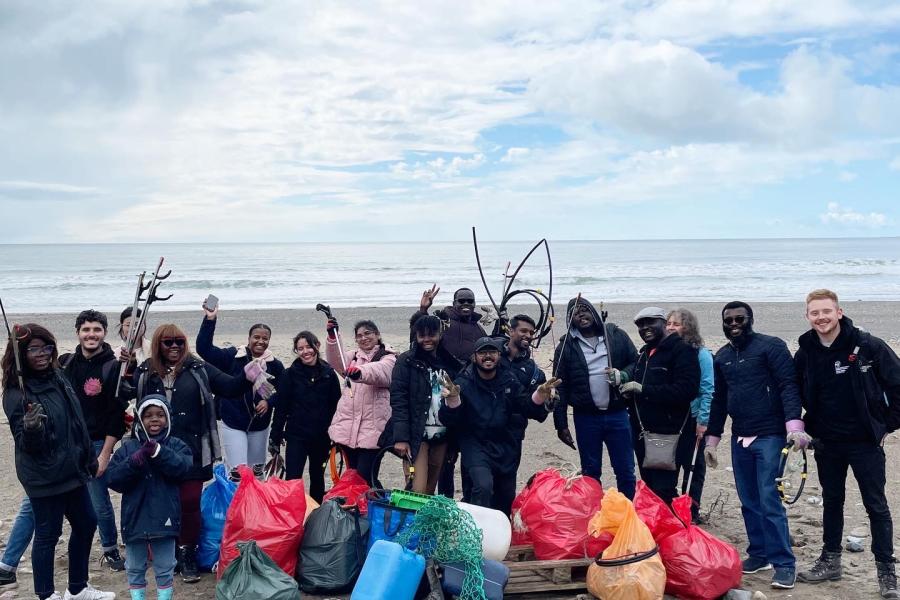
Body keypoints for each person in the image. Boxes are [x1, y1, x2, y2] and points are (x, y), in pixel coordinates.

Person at [794, 289, 900, 598]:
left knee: (876, 505)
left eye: (826, 311)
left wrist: (887, 426)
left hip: (865, 441)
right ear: (808, 316)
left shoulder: (868, 346)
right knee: (832, 501)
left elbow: (897, 386)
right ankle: (831, 561)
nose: (821, 317)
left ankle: (886, 572)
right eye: (815, 313)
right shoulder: (805, 352)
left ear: (839, 312)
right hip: (826, 442)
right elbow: (796, 391)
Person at [133, 324, 256, 583]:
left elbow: (231, 388)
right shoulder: (146, 372)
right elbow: (125, 395)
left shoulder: (197, 368)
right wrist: (120, 371)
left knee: (189, 502)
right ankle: (168, 552)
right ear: (158, 345)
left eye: (179, 341)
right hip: (156, 449)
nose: (175, 346)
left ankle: (188, 553)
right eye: (168, 342)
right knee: (163, 502)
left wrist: (247, 376)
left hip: (193, 448)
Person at [2, 323, 115, 600]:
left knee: (87, 523)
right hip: (45, 475)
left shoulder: (58, 376)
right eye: (34, 349)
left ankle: (77, 588)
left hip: (73, 468)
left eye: (47, 347)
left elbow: (77, 421)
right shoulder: (17, 393)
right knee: (47, 534)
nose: (42, 354)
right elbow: (28, 447)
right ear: (20, 354)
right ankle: (45, 594)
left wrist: (88, 456)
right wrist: (31, 428)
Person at [706, 301, 809, 590]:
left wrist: (794, 426)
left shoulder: (771, 346)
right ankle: (760, 553)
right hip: (740, 437)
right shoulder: (723, 356)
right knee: (749, 500)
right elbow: (718, 400)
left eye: (740, 318)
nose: (734, 323)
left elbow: (789, 385)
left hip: (771, 435)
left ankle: (784, 563)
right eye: (729, 320)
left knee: (769, 500)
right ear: (723, 323)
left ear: (751, 320)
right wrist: (712, 441)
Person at [440, 337, 558, 515]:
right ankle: (477, 533)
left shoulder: (509, 380)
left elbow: (526, 406)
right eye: (482, 353)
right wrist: (453, 400)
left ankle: (500, 535)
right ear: (474, 358)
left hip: (505, 445)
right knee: (482, 487)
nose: (487, 357)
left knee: (506, 496)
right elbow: (449, 419)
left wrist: (540, 395)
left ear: (499, 356)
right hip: (475, 445)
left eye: (492, 352)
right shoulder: (463, 383)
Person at [59, 309, 129, 571]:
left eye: (96, 329)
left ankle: (110, 549)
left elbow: (116, 415)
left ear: (104, 333)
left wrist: (105, 454)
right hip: (66, 444)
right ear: (77, 332)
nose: (91, 334)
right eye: (86, 329)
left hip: (97, 444)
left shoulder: (114, 366)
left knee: (99, 502)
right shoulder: (65, 363)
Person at [107, 394, 193, 600]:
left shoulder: (176, 445)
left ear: (168, 419)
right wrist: (134, 462)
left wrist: (159, 453)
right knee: (135, 566)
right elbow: (113, 479)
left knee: (165, 566)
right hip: (135, 519)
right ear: (139, 420)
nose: (154, 419)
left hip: (165, 519)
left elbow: (183, 469)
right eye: (148, 416)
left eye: (160, 415)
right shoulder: (128, 448)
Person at [552, 296, 638, 498]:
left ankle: (627, 514)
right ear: (569, 320)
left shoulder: (615, 335)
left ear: (593, 311)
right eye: (574, 312)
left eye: (584, 309)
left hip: (618, 414)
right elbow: (559, 387)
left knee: (626, 470)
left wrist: (622, 374)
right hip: (585, 418)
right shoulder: (566, 346)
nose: (580, 313)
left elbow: (636, 363)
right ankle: (593, 515)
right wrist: (560, 424)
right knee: (590, 472)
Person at [410, 285, 487, 497]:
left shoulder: (480, 329)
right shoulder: (444, 323)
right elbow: (421, 337)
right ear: (454, 303)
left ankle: (467, 499)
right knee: (445, 461)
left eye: (469, 301)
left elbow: (487, 356)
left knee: (465, 458)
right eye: (461, 301)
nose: (465, 305)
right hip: (442, 397)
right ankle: (445, 499)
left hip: (465, 395)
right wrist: (423, 310)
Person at [619, 307, 699, 506]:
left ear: (664, 324)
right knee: (649, 487)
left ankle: (671, 533)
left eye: (650, 322)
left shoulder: (682, 350)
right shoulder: (643, 355)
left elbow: (687, 390)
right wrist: (626, 393)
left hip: (668, 435)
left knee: (664, 490)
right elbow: (640, 393)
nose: (645, 327)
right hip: (642, 434)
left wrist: (643, 390)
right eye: (640, 324)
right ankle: (657, 533)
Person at [195, 300, 283, 477]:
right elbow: (203, 349)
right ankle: (235, 504)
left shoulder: (275, 365)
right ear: (249, 339)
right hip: (233, 421)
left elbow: (284, 393)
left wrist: (269, 401)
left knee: (257, 474)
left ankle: (253, 505)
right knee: (237, 473)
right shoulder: (232, 357)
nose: (260, 341)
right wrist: (210, 319)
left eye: (265, 338)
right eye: (256, 337)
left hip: (260, 425)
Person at [380, 315, 464, 495]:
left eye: (432, 334)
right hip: (416, 433)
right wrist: (401, 437)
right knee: (417, 490)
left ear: (440, 335)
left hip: (442, 433)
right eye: (422, 335)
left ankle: (421, 523)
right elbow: (398, 399)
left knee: (429, 489)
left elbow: (457, 400)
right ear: (416, 336)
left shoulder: (451, 363)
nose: (427, 340)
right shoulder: (406, 361)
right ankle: (412, 521)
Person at [270, 331, 342, 502]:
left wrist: (337, 435)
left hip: (322, 437)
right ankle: (291, 515)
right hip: (297, 436)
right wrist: (275, 436)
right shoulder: (289, 374)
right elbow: (281, 408)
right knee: (293, 478)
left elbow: (337, 407)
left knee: (317, 478)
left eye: (308, 346)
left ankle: (315, 514)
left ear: (317, 346)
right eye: (300, 348)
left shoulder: (329, 374)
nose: (305, 352)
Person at [324, 316, 396, 484]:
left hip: (374, 431)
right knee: (351, 476)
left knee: (366, 478)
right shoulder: (352, 356)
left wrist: (359, 372)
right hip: (349, 428)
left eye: (368, 333)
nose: (364, 338)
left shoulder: (389, 357)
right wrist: (333, 337)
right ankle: (354, 508)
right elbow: (336, 360)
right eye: (359, 335)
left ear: (377, 335)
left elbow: (381, 371)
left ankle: (369, 507)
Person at [666, 308, 714, 522]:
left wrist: (703, 421)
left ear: (687, 327)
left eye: (675, 324)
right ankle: (673, 506)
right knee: (671, 464)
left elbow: (707, 388)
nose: (670, 327)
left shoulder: (701, 354)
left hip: (694, 417)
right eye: (668, 323)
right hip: (672, 418)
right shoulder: (667, 351)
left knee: (694, 467)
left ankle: (692, 510)